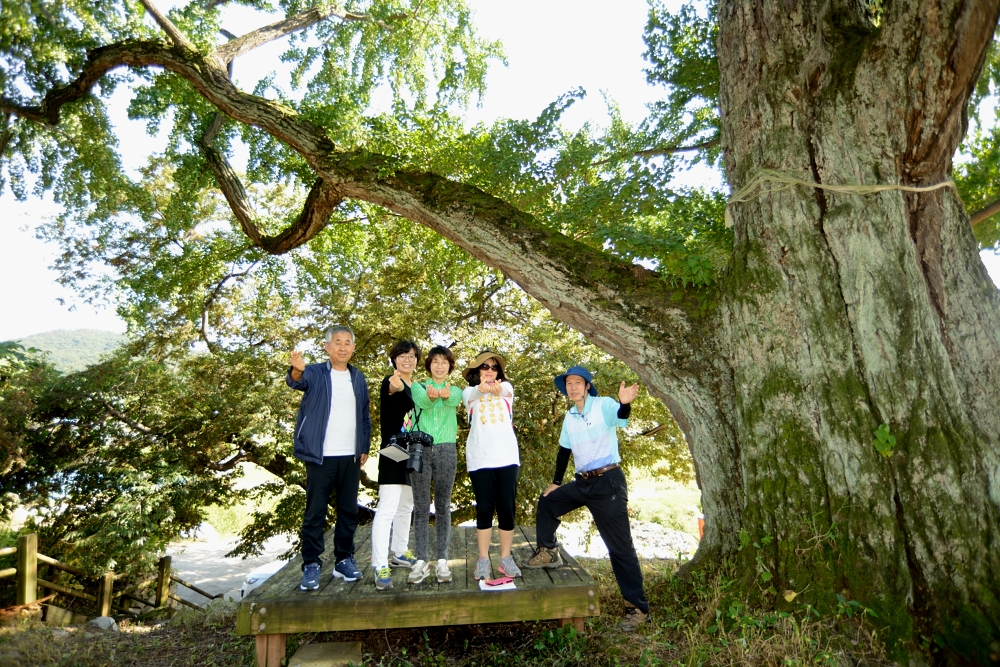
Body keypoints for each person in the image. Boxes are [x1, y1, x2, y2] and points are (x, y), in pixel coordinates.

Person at [523, 365, 650, 632]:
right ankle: (548, 551)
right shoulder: (570, 416)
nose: (573, 387)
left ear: (587, 386)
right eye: (568, 383)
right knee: (548, 501)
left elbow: (619, 415)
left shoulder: (603, 405)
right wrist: (556, 482)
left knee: (620, 547)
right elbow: (563, 450)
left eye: (578, 382)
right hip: (583, 482)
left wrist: (625, 404)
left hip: (608, 483)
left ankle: (637, 608)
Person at [287, 326, 371, 591]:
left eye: (348, 342)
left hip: (350, 456)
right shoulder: (314, 372)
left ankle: (344, 560)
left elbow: (365, 415)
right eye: (338, 342)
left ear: (353, 348)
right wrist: (297, 368)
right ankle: (311, 563)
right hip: (319, 455)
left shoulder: (357, 377)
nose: (343, 347)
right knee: (315, 512)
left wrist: (364, 446)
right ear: (327, 347)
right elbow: (295, 381)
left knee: (348, 511)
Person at [462, 351, 521, 581]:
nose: (489, 370)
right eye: (484, 366)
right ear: (477, 370)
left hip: (507, 458)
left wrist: (497, 387)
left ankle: (505, 559)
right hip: (480, 458)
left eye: (494, 367)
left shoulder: (507, 390)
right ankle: (483, 559)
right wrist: (483, 388)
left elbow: (506, 390)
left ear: (499, 372)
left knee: (507, 510)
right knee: (484, 509)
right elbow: (474, 392)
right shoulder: (469, 393)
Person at [371, 341, 422, 590]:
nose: (407, 359)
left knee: (407, 506)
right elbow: (392, 389)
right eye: (402, 355)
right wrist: (395, 386)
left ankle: (399, 552)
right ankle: (380, 565)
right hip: (394, 450)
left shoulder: (419, 387)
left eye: (412, 356)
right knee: (387, 508)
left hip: (413, 452)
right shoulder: (389, 381)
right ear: (394, 359)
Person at [409, 346, 462, 584]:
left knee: (443, 505)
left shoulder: (457, 390)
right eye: (435, 362)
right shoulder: (417, 387)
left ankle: (442, 559)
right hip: (421, 449)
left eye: (444, 362)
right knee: (420, 507)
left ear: (450, 366)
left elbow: (452, 398)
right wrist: (432, 397)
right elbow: (424, 402)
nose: (439, 366)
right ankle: (421, 560)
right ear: (428, 365)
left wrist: (439, 395)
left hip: (447, 449)